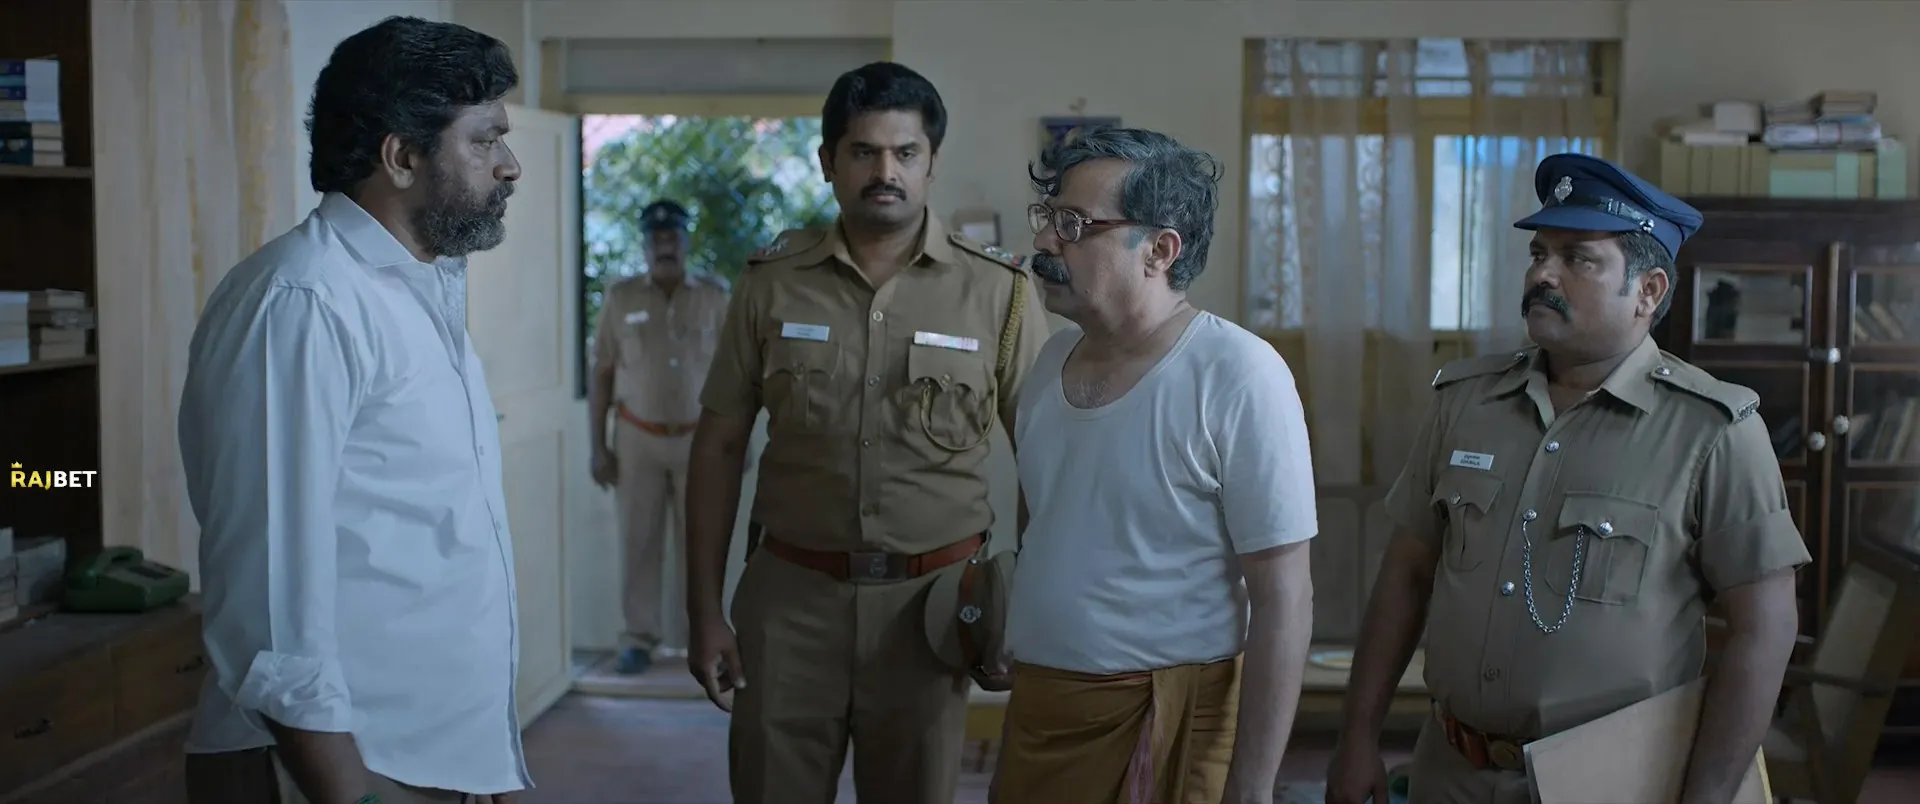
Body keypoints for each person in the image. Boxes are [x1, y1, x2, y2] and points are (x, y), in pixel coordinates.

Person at [1325, 154, 1809, 804]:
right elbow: (1406, 576)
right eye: (1538, 253)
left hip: (1614, 779)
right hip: (1451, 768)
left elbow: (1765, 629)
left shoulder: (1712, 430)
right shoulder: (1465, 404)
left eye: (1578, 258)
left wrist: (1707, 796)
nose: (1542, 274)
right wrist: (1357, 736)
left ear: (1648, 291)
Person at [177, 16, 530, 804]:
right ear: (401, 157)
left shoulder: (422, 288)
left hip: (432, 758)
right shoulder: (304, 301)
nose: (510, 167)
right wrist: (349, 791)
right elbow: (269, 591)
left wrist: (485, 766)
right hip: (338, 768)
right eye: (484, 141)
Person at [683, 61, 1052, 804]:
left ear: (931, 162)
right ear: (828, 161)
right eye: (864, 152)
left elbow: (1048, 461)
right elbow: (718, 447)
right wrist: (702, 613)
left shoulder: (999, 291)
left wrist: (1027, 609)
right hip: (789, 608)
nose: (886, 172)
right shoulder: (771, 284)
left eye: (905, 153)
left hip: (933, 614)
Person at [990, 127, 1318, 804]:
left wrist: (1252, 787)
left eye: (1074, 224)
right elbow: (1043, 521)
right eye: (1048, 217)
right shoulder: (1050, 362)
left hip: (1165, 720)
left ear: (1160, 250)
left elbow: (1284, 597)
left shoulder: (1238, 373)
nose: (1046, 241)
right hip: (1043, 713)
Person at [589, 199, 732, 674]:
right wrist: (597, 446)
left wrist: (739, 443)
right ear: (646, 246)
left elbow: (737, 375)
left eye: (673, 238)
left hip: (701, 441)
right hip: (637, 440)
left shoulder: (714, 296)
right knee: (639, 542)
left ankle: (703, 639)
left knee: (702, 546)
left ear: (687, 243)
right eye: (657, 239)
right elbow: (602, 372)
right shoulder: (621, 297)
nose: (665, 247)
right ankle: (638, 638)